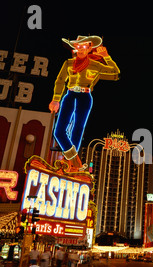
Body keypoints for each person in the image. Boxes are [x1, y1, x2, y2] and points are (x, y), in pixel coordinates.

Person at [49, 35, 120, 171]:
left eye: (84, 46)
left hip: (85, 96)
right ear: (75, 48)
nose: (81, 49)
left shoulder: (95, 65)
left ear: (89, 49)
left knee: (78, 129)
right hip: (69, 95)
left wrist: (106, 56)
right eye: (78, 46)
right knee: (58, 131)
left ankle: (70, 163)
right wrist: (56, 99)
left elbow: (116, 73)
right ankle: (74, 159)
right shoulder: (68, 63)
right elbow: (60, 80)